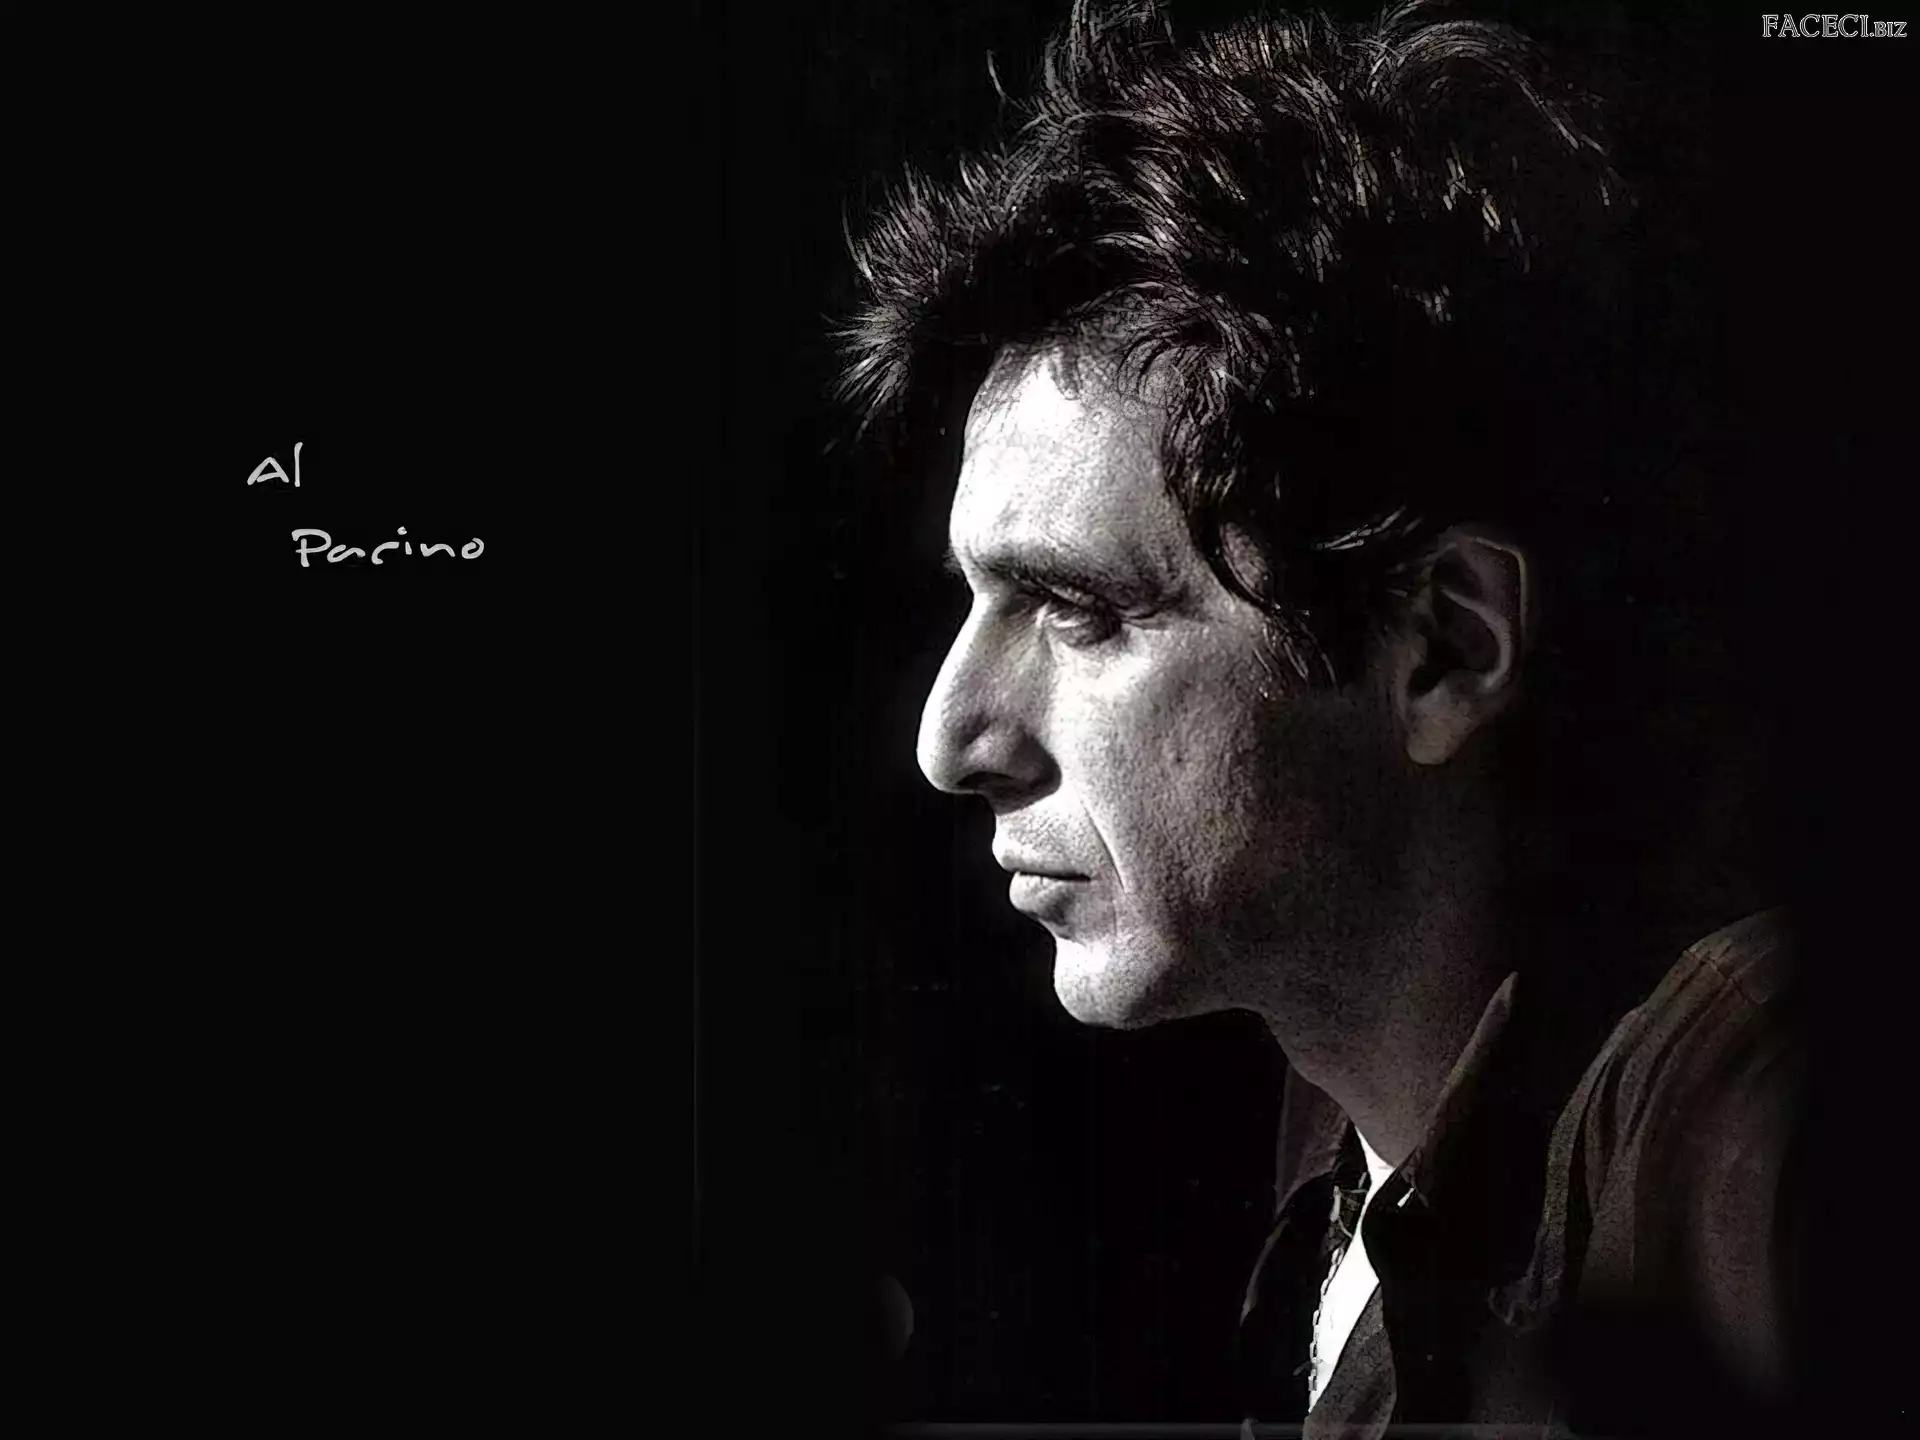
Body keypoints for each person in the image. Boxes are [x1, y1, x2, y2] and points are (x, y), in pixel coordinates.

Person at [833, 2, 1804, 1435]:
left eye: (1081, 610)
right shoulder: (1342, 1124)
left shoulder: (1761, 1122)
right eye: (976, 599)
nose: (952, 737)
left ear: (1443, 650)